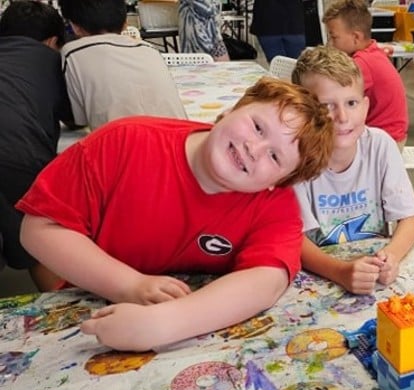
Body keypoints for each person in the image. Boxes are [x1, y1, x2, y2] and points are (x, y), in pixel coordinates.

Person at [17, 77, 334, 352]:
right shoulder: (124, 142)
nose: (255, 147)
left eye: (275, 156)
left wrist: (164, 323)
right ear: (229, 110)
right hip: (87, 311)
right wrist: (130, 286)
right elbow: (38, 229)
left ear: (275, 184)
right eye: (257, 126)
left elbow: (267, 280)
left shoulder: (275, 204)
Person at [291, 45, 414, 295]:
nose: (342, 116)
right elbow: (296, 241)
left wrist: (391, 257)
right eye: (327, 106)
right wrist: (341, 271)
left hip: (373, 277)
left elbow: (410, 218)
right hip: (319, 280)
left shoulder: (380, 145)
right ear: (304, 111)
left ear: (365, 106)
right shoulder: (296, 158)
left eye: (351, 103)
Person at [0, 0, 75, 284]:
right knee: (41, 235)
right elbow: (75, 118)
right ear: (52, 41)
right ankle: (64, 316)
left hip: (10, 148)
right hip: (15, 153)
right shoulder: (51, 59)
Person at [58, 0, 186, 130]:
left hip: (126, 145)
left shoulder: (73, 53)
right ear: (126, 23)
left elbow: (79, 121)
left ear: (75, 27)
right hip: (181, 140)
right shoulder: (150, 50)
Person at [322, 0, 408, 145]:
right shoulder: (372, 50)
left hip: (384, 142)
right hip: (387, 134)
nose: (330, 43)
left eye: (334, 37)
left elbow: (332, 92)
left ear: (356, 37)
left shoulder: (363, 63)